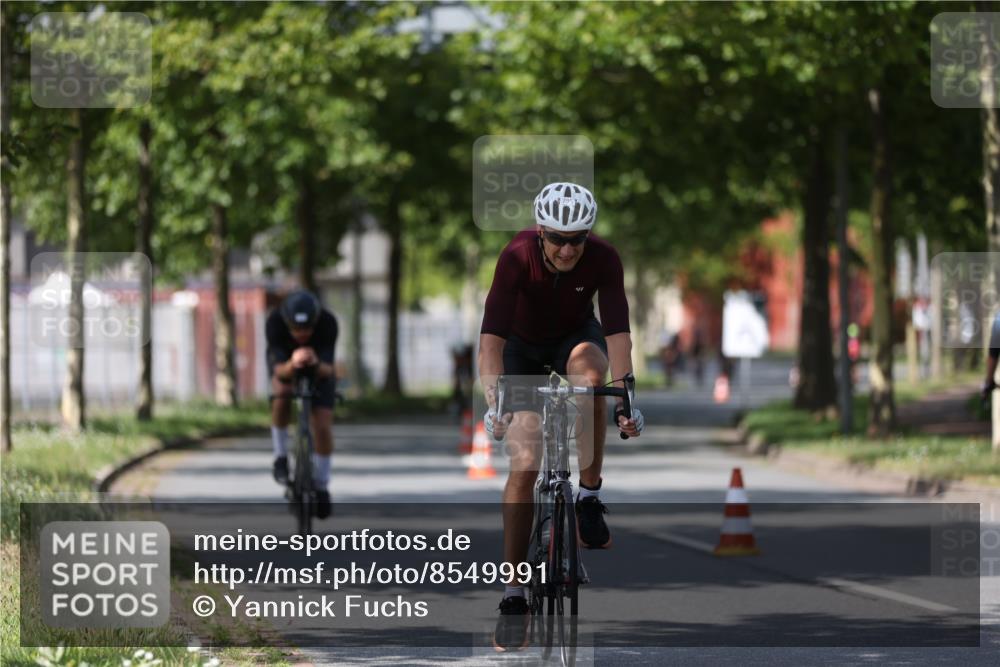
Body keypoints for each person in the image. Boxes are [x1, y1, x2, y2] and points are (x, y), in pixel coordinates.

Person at [478, 182, 645, 651]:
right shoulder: (515, 256)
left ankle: (589, 497)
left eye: (579, 239)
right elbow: (490, 341)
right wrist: (496, 403)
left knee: (592, 381)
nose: (569, 249)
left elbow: (617, 333)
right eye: (558, 239)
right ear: (540, 233)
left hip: (575, 336)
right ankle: (513, 595)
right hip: (521, 348)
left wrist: (626, 400)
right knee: (525, 461)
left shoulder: (604, 259)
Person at [266, 289, 339, 519]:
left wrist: (315, 363)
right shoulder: (275, 323)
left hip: (320, 371)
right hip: (287, 368)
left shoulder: (327, 323)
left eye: (307, 329)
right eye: (296, 330)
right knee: (281, 396)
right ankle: (280, 456)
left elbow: (329, 368)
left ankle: (322, 485)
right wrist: (292, 363)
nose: (302, 335)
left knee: (322, 424)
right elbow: (279, 371)